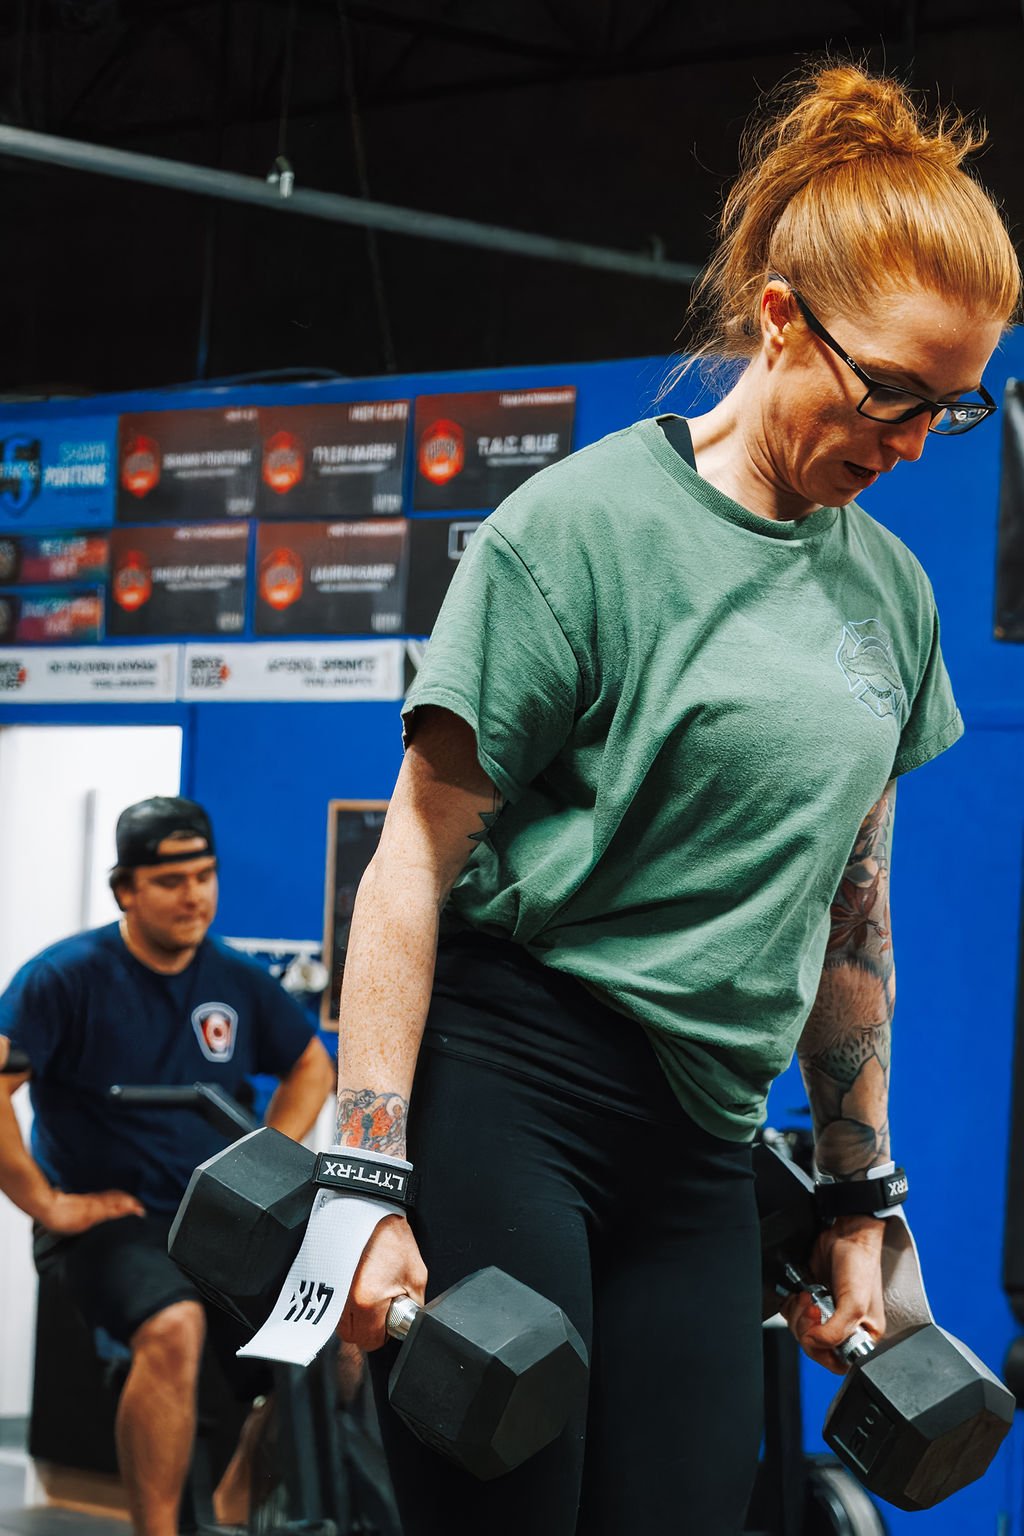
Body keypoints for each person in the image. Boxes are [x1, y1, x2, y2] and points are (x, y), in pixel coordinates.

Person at [322, 64, 1019, 1536]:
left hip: (705, 1140)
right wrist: (363, 1183)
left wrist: (858, 1198)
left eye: (949, 412)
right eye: (890, 391)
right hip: (516, 1087)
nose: (908, 442)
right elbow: (409, 865)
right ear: (779, 320)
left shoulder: (893, 598)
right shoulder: (578, 533)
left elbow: (850, 923)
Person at [0, 795, 335, 1536]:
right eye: (171, 880)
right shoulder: (63, 977)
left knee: (334, 1332)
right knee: (174, 1327)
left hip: (216, 1223)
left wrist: (266, 1164)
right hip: (111, 1222)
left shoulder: (236, 978)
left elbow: (312, 1063)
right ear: (126, 890)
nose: (194, 896)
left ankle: (234, 1499)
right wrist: (48, 1204)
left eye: (205, 876)